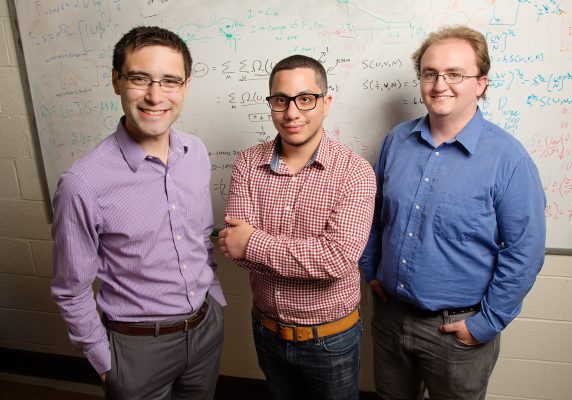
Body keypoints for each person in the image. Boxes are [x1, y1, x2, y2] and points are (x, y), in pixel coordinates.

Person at [359, 25, 546, 400]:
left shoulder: (508, 160)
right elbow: (374, 214)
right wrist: (370, 268)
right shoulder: (397, 140)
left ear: (480, 83)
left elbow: (524, 252)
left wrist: (485, 324)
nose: (439, 84)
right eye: (430, 74)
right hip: (391, 318)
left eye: (455, 74)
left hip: (458, 333)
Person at [51, 26, 225, 400]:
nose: (154, 95)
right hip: (136, 350)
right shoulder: (83, 183)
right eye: (139, 78)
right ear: (116, 81)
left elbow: (199, 239)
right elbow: (71, 289)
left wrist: (216, 302)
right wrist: (106, 365)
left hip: (205, 330)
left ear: (186, 86)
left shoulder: (195, 153)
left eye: (169, 81)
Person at [218, 54, 376, 400]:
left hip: (331, 339)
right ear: (271, 103)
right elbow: (234, 249)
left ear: (326, 103)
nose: (292, 112)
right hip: (267, 330)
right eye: (280, 100)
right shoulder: (248, 162)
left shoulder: (355, 172)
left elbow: (335, 260)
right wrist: (299, 254)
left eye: (305, 99)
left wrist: (254, 242)